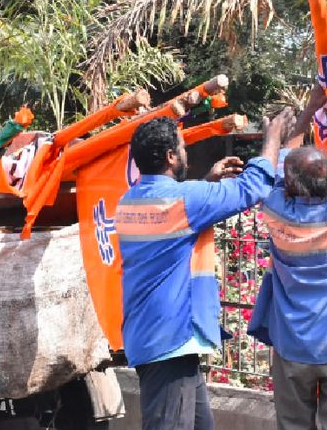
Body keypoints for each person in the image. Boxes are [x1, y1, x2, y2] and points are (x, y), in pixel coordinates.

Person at [115, 113, 288, 430]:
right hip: (170, 342)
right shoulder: (185, 200)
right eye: (181, 148)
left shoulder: (128, 202)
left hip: (154, 337)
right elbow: (253, 188)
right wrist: (273, 136)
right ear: (170, 156)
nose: (185, 154)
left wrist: (207, 184)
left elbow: (172, 218)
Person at [248, 93, 327, 430]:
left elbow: (283, 155)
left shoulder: (276, 211)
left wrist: (310, 108)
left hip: (291, 348)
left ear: (288, 185)